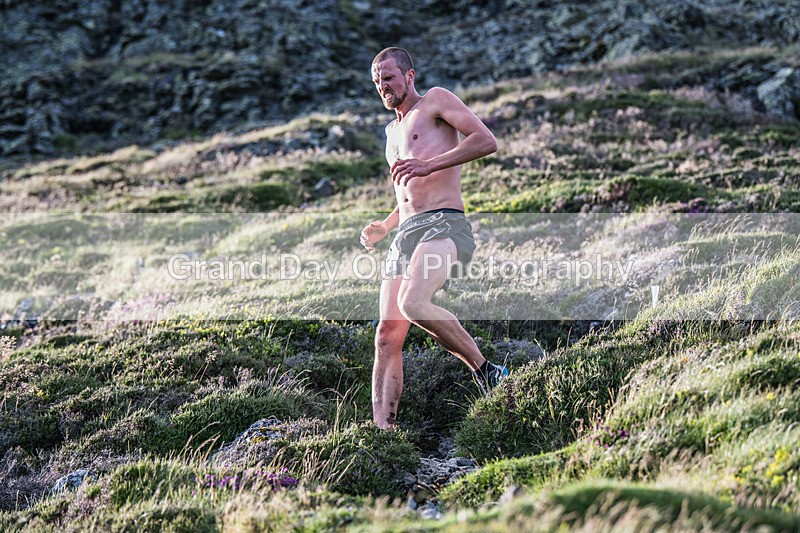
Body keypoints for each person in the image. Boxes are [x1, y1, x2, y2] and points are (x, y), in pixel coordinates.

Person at [360, 47, 509, 430]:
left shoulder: (436, 101)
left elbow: (485, 140)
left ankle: (486, 370)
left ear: (409, 75)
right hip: (405, 234)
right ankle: (383, 430)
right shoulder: (391, 132)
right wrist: (386, 225)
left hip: (443, 223)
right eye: (377, 81)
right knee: (386, 333)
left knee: (413, 303)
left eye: (389, 77)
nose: (383, 86)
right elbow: (406, 191)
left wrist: (430, 164)